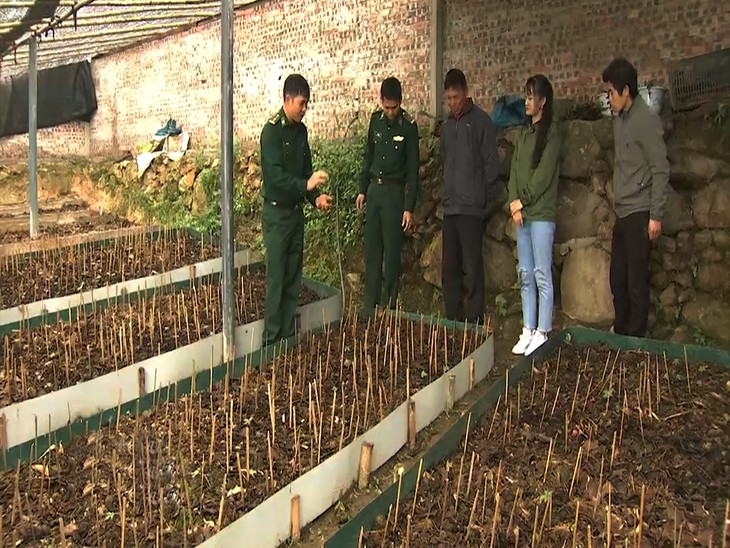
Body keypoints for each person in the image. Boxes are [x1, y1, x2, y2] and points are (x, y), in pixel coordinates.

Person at [259, 74, 332, 346]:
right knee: (277, 277)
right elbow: (276, 178)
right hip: (277, 216)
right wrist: (306, 184)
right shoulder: (271, 132)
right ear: (287, 99)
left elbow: (305, 173)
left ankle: (287, 336)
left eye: (307, 104)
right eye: (301, 103)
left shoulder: (301, 132)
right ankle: (271, 340)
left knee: (293, 276)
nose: (304, 109)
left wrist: (316, 199)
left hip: (295, 215)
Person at [602, 58, 670, 338]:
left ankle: (637, 338)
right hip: (623, 210)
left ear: (626, 91)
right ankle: (622, 330)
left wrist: (656, 215)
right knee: (617, 278)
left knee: (635, 281)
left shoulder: (646, 119)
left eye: (611, 93)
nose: (608, 98)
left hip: (641, 211)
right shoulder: (620, 120)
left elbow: (661, 167)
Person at [357, 77, 420, 318]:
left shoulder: (408, 127)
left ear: (400, 102)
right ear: (381, 101)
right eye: (386, 107)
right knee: (372, 252)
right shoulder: (375, 122)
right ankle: (370, 307)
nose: (391, 112)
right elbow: (368, 156)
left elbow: (413, 170)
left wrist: (408, 206)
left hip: (394, 194)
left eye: (394, 107)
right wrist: (362, 189)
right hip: (374, 191)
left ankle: (391, 306)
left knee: (392, 253)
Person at [440, 69, 500, 324]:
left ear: (465, 93)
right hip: (450, 208)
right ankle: (453, 322)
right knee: (449, 270)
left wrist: (481, 199)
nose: (452, 102)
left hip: (472, 209)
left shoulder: (481, 122)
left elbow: (491, 165)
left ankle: (474, 323)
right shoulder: (445, 126)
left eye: (456, 97)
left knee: (473, 271)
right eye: (449, 98)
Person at [508, 74, 562, 356]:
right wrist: (513, 202)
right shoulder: (524, 133)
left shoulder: (552, 133)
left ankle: (543, 330)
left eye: (531, 97)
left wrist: (523, 202)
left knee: (542, 273)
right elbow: (515, 172)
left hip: (540, 215)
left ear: (543, 101)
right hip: (522, 215)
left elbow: (543, 177)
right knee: (525, 273)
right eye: (526, 96)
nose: (527, 101)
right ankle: (528, 328)